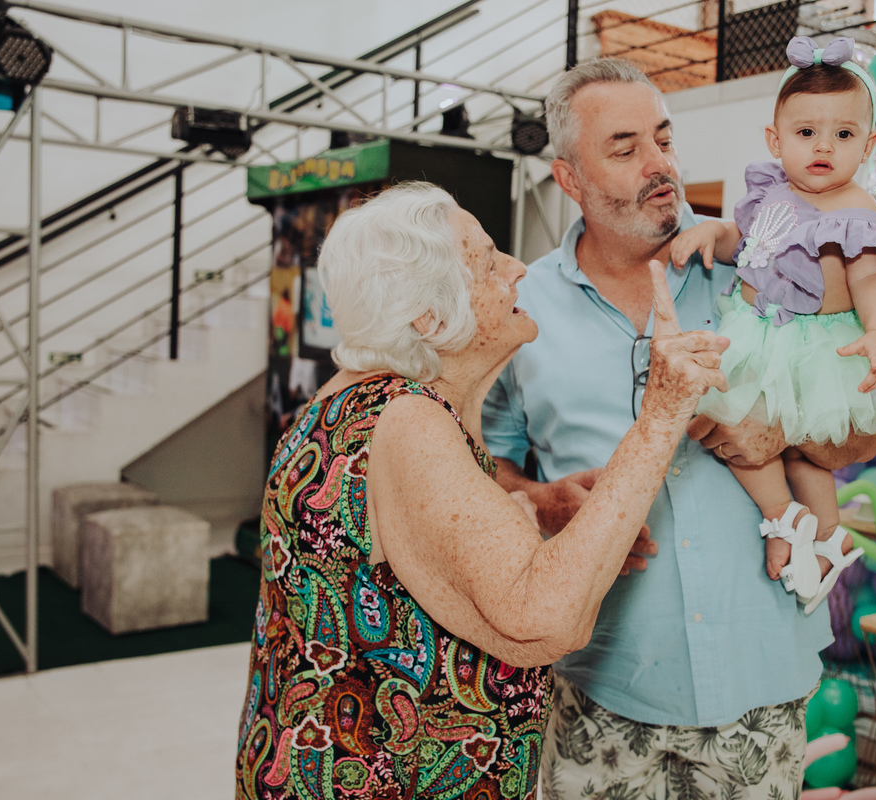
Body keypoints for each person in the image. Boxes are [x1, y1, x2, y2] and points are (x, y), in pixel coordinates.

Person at [234, 182, 731, 799]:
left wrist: (537, 503)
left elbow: (413, 547)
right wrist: (660, 416)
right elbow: (543, 618)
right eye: (490, 258)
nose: (518, 267)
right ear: (429, 316)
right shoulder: (408, 420)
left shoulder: (346, 402)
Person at [482, 59, 876, 799]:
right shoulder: (522, 308)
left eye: (664, 138)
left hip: (758, 684)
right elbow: (486, 467)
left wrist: (779, 437)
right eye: (626, 147)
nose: (661, 163)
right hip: (599, 683)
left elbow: (861, 437)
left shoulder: (764, 264)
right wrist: (540, 502)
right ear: (569, 178)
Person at [668, 36, 876, 612]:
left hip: (818, 347)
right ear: (776, 140)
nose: (824, 147)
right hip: (755, 331)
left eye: (843, 135)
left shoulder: (855, 212)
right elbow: (741, 243)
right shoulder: (771, 189)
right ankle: (797, 524)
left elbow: (873, 281)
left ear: (869, 144)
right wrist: (709, 234)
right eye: (806, 133)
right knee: (734, 427)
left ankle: (810, 529)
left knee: (795, 445)